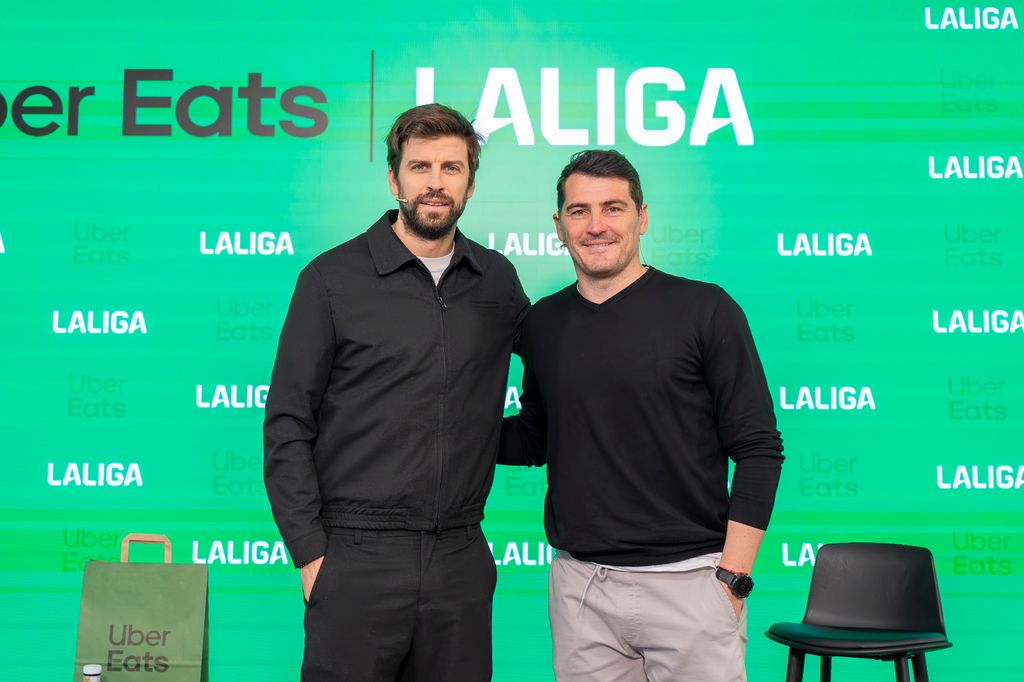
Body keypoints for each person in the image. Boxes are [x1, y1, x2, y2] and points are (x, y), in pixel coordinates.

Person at [264, 103, 528, 681]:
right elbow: (288, 424)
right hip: (355, 556)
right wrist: (312, 555)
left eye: (452, 168)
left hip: (460, 554)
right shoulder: (331, 279)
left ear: (471, 183)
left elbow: (561, 374)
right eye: (421, 167)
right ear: (395, 179)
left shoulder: (497, 280)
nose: (435, 182)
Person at [500, 149, 784, 681]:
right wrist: (435, 428)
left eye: (614, 207)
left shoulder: (706, 309)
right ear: (558, 226)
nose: (597, 225)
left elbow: (758, 448)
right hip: (581, 589)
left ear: (643, 217)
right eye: (579, 211)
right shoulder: (542, 322)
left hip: (691, 584)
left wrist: (734, 578)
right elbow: (536, 438)